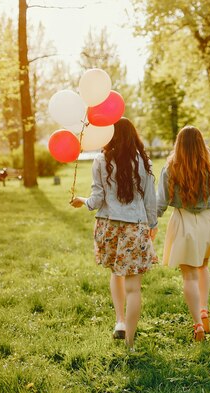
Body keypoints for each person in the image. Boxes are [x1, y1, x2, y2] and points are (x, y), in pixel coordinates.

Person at [70, 118, 158, 350]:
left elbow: (98, 198)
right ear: (133, 136)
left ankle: (120, 321)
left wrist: (84, 202)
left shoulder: (101, 160)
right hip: (134, 227)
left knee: (115, 273)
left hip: (108, 226)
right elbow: (151, 199)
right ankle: (129, 340)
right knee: (133, 287)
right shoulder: (143, 161)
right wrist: (153, 224)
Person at [157, 126, 210, 342]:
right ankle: (204, 310)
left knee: (189, 275)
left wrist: (150, 223)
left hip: (182, 221)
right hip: (208, 223)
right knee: (203, 267)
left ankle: (197, 323)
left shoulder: (170, 169)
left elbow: (160, 202)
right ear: (201, 144)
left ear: (178, 144)